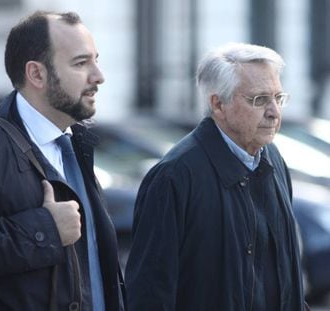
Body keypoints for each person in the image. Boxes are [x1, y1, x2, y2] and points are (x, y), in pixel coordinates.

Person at [0, 11, 125, 311]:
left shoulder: (77, 141)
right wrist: (45, 231)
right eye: (81, 63)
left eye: (96, 59)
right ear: (37, 74)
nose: (98, 76)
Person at [125, 43, 309, 310]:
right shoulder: (174, 176)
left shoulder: (273, 158)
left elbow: (287, 276)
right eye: (259, 100)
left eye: (278, 98)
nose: (274, 112)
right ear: (218, 104)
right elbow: (150, 293)